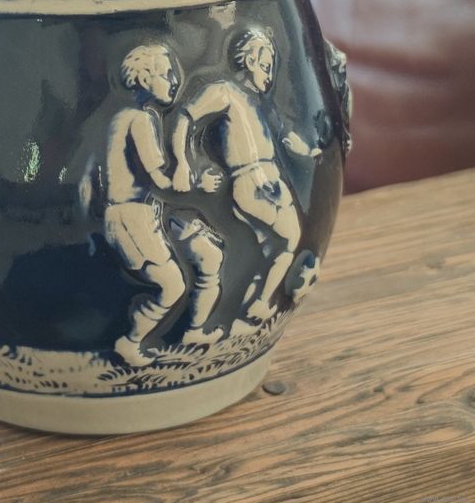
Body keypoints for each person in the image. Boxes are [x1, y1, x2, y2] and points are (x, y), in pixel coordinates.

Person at [172, 28, 320, 325]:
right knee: (287, 240)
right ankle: (258, 304)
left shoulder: (260, 104)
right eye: (265, 66)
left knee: (274, 246)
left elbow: (286, 135)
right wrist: (183, 163)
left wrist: (309, 150)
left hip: (271, 179)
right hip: (251, 181)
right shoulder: (225, 92)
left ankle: (246, 308)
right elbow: (185, 116)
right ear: (250, 61)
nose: (269, 75)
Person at [104, 44, 221, 366]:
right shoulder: (140, 120)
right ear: (145, 79)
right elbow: (160, 182)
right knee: (171, 286)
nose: (175, 80)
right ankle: (130, 342)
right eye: (167, 74)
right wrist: (199, 185)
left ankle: (194, 330)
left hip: (144, 213)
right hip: (132, 217)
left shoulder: (125, 117)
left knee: (207, 253)